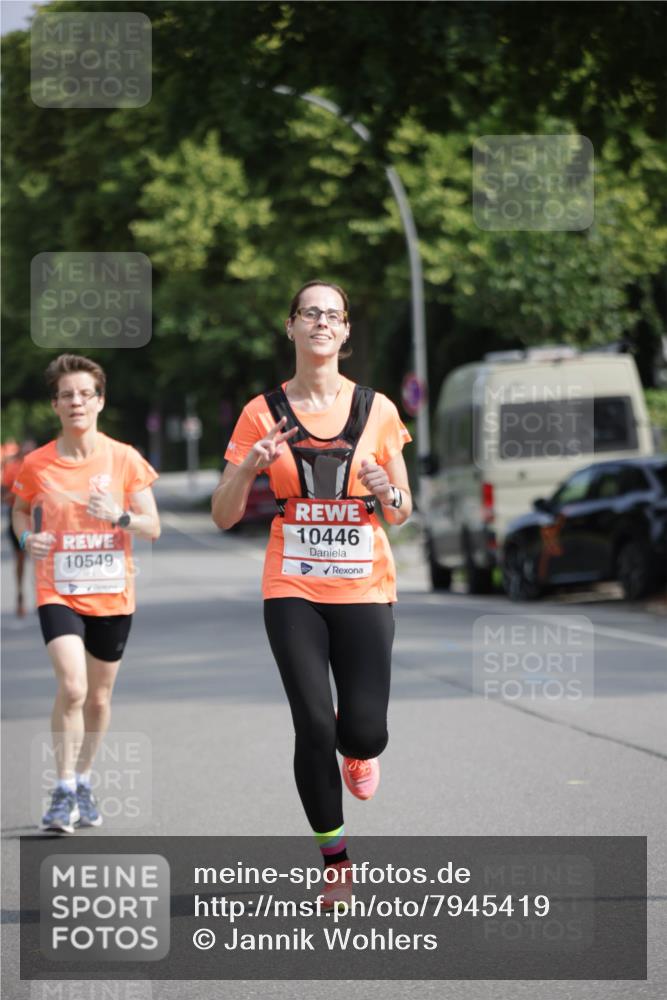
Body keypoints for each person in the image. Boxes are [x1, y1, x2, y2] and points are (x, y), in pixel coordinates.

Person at [212, 281, 412, 908]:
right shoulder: (260, 412)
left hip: (364, 584)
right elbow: (223, 514)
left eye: (333, 315)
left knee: (365, 730)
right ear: (291, 326)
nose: (321, 323)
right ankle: (336, 864)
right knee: (312, 721)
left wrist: (386, 490)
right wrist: (249, 465)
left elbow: (403, 511)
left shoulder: (377, 410)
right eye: (310, 314)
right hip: (291, 582)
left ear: (345, 332)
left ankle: (362, 751)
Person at [12, 354, 160, 833]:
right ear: (55, 405)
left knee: (97, 698)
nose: (76, 402)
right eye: (67, 395)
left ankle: (84, 779)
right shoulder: (36, 464)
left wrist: (119, 515)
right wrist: (23, 538)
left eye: (85, 394)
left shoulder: (124, 458)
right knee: (72, 686)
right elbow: (19, 511)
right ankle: (62, 790)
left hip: (112, 593)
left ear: (100, 401)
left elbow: (152, 526)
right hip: (58, 589)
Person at [2, 439, 36, 616]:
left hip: (37, 518)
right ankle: (20, 594)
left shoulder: (40, 467)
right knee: (20, 559)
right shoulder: (13, 467)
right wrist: (17, 494)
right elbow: (3, 494)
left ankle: (42, 598)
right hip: (17, 517)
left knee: (40, 561)